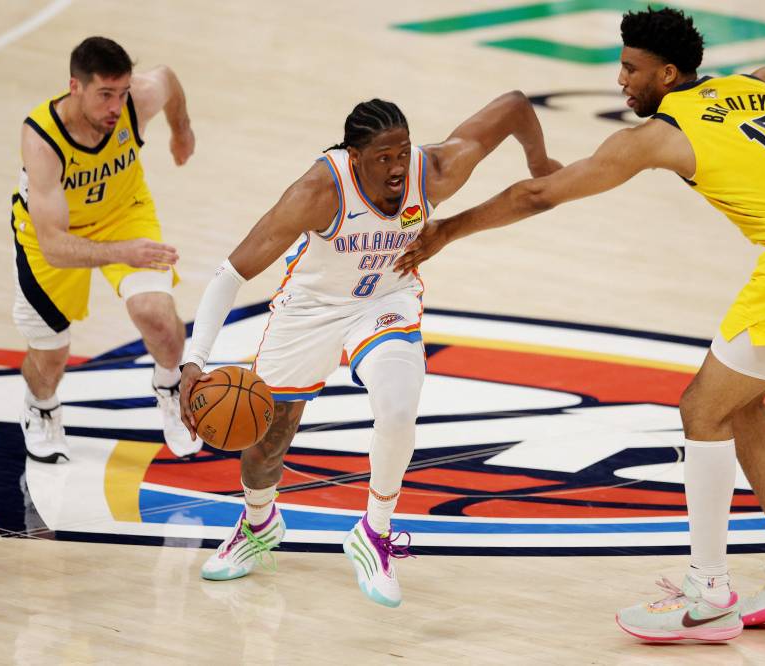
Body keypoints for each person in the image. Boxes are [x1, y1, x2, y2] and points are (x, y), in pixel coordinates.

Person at [395, 7, 765, 641]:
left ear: (669, 71)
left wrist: (446, 231)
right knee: (740, 405)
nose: (621, 79)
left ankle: (708, 593)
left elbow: (538, 195)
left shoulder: (658, 136)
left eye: (631, 69)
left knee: (701, 411)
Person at [178, 93, 559, 607]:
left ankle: (374, 532)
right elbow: (231, 275)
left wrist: (538, 161)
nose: (398, 166)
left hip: (386, 299)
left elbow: (514, 106)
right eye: (384, 157)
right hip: (311, 306)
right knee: (268, 435)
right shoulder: (317, 192)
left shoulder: (434, 172)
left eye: (402, 151)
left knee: (399, 408)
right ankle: (258, 524)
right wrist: (194, 362)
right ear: (354, 157)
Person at [12, 36, 198, 463]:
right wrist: (122, 253)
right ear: (75, 87)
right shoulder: (42, 140)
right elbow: (56, 247)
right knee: (51, 354)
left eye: (122, 92)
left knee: (159, 318)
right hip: (50, 237)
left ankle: (170, 387)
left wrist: (182, 129)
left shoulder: (138, 100)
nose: (116, 106)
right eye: (105, 95)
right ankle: (40, 409)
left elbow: (168, 80)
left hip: (124, 213)